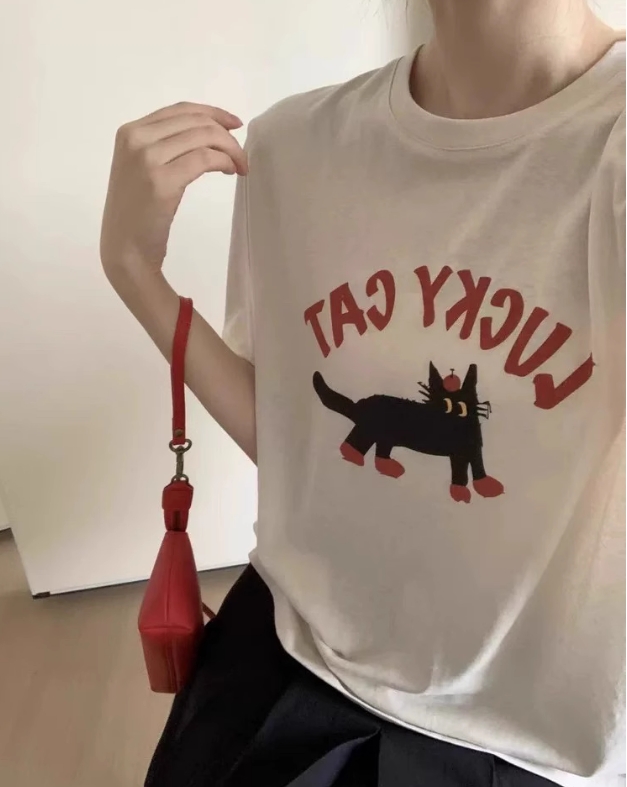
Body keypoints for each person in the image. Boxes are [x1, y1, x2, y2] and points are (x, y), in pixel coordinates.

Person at [100, 1, 626, 785]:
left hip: (530, 736)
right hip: (292, 650)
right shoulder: (292, 146)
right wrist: (133, 268)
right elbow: (295, 447)